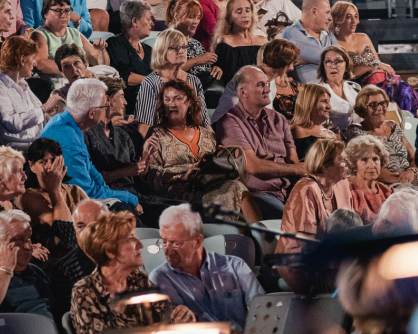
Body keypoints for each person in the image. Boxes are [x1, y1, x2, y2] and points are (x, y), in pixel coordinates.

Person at [143, 79, 258, 220]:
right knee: (234, 190)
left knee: (238, 186)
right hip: (179, 193)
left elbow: (216, 163)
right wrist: (183, 176)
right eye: (167, 99)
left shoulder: (204, 133)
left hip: (209, 185)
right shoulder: (157, 133)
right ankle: (252, 240)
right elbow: (152, 176)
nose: (171, 104)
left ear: (189, 102)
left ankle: (251, 239)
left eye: (178, 98)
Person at [71, 211, 192, 334]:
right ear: (110, 251)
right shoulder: (85, 292)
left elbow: (165, 313)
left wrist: (180, 317)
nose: (140, 245)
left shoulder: (138, 279)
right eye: (130, 239)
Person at [150, 203, 263, 330]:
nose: (167, 250)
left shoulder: (235, 266)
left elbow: (262, 311)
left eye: (175, 243)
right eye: (164, 242)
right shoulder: (160, 278)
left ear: (197, 241)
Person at [40, 78, 141, 213]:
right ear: (92, 113)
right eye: (104, 106)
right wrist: (129, 197)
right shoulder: (69, 140)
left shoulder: (68, 122)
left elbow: (90, 168)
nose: (106, 109)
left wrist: (110, 191)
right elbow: (86, 192)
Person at [216, 66, 306, 216]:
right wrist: (299, 168)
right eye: (260, 85)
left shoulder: (279, 119)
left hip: (288, 191)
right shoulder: (229, 122)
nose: (268, 89)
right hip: (259, 195)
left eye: (267, 84)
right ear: (243, 92)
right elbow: (253, 166)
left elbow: (293, 161)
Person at [274, 138, 352, 291]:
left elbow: (350, 230)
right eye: (343, 161)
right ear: (325, 166)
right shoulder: (306, 190)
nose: (348, 164)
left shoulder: (342, 185)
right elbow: (304, 246)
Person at [346, 85, 417, 184]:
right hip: (384, 184)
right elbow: (367, 166)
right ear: (363, 108)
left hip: (409, 180)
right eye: (373, 105)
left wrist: (411, 171)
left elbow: (412, 157)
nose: (380, 108)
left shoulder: (393, 125)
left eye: (383, 103)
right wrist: (399, 180)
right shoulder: (356, 131)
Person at [280, 0, 337, 83]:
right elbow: (327, 57)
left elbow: (340, 58)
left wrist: (309, 61)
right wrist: (324, 60)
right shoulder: (291, 33)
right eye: (327, 12)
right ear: (314, 11)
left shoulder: (329, 35)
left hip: (334, 88)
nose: (330, 18)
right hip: (309, 93)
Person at [345, 135, 394, 224]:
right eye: (364, 160)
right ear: (354, 164)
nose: (372, 165)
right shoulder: (348, 191)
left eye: (375, 159)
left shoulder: (388, 192)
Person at [317, 45, 360, 133]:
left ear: (347, 66)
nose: (333, 66)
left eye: (338, 61)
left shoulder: (355, 88)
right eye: (328, 61)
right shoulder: (318, 91)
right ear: (323, 66)